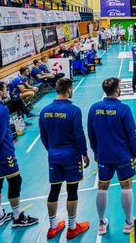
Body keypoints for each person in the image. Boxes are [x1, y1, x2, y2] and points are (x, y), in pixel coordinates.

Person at [39, 78, 90, 239]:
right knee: (72, 191)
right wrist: (84, 153)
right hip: (71, 156)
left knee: (54, 190)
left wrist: (52, 151)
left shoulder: (45, 111)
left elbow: (43, 136)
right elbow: (79, 135)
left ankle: (53, 227)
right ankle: (72, 227)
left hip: (54, 156)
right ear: (69, 90)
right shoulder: (74, 111)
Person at [88, 78, 136, 236]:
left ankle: (101, 223)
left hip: (104, 155)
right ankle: (129, 222)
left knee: (102, 186)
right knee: (126, 185)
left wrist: (96, 151)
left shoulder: (94, 108)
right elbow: (131, 134)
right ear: (117, 89)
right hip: (122, 155)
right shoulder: (124, 109)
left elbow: (91, 133)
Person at [0, 81, 39, 229]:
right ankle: (18, 217)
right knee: (15, 181)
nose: (6, 92)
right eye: (5, 89)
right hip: (3, 154)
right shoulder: (2, 110)